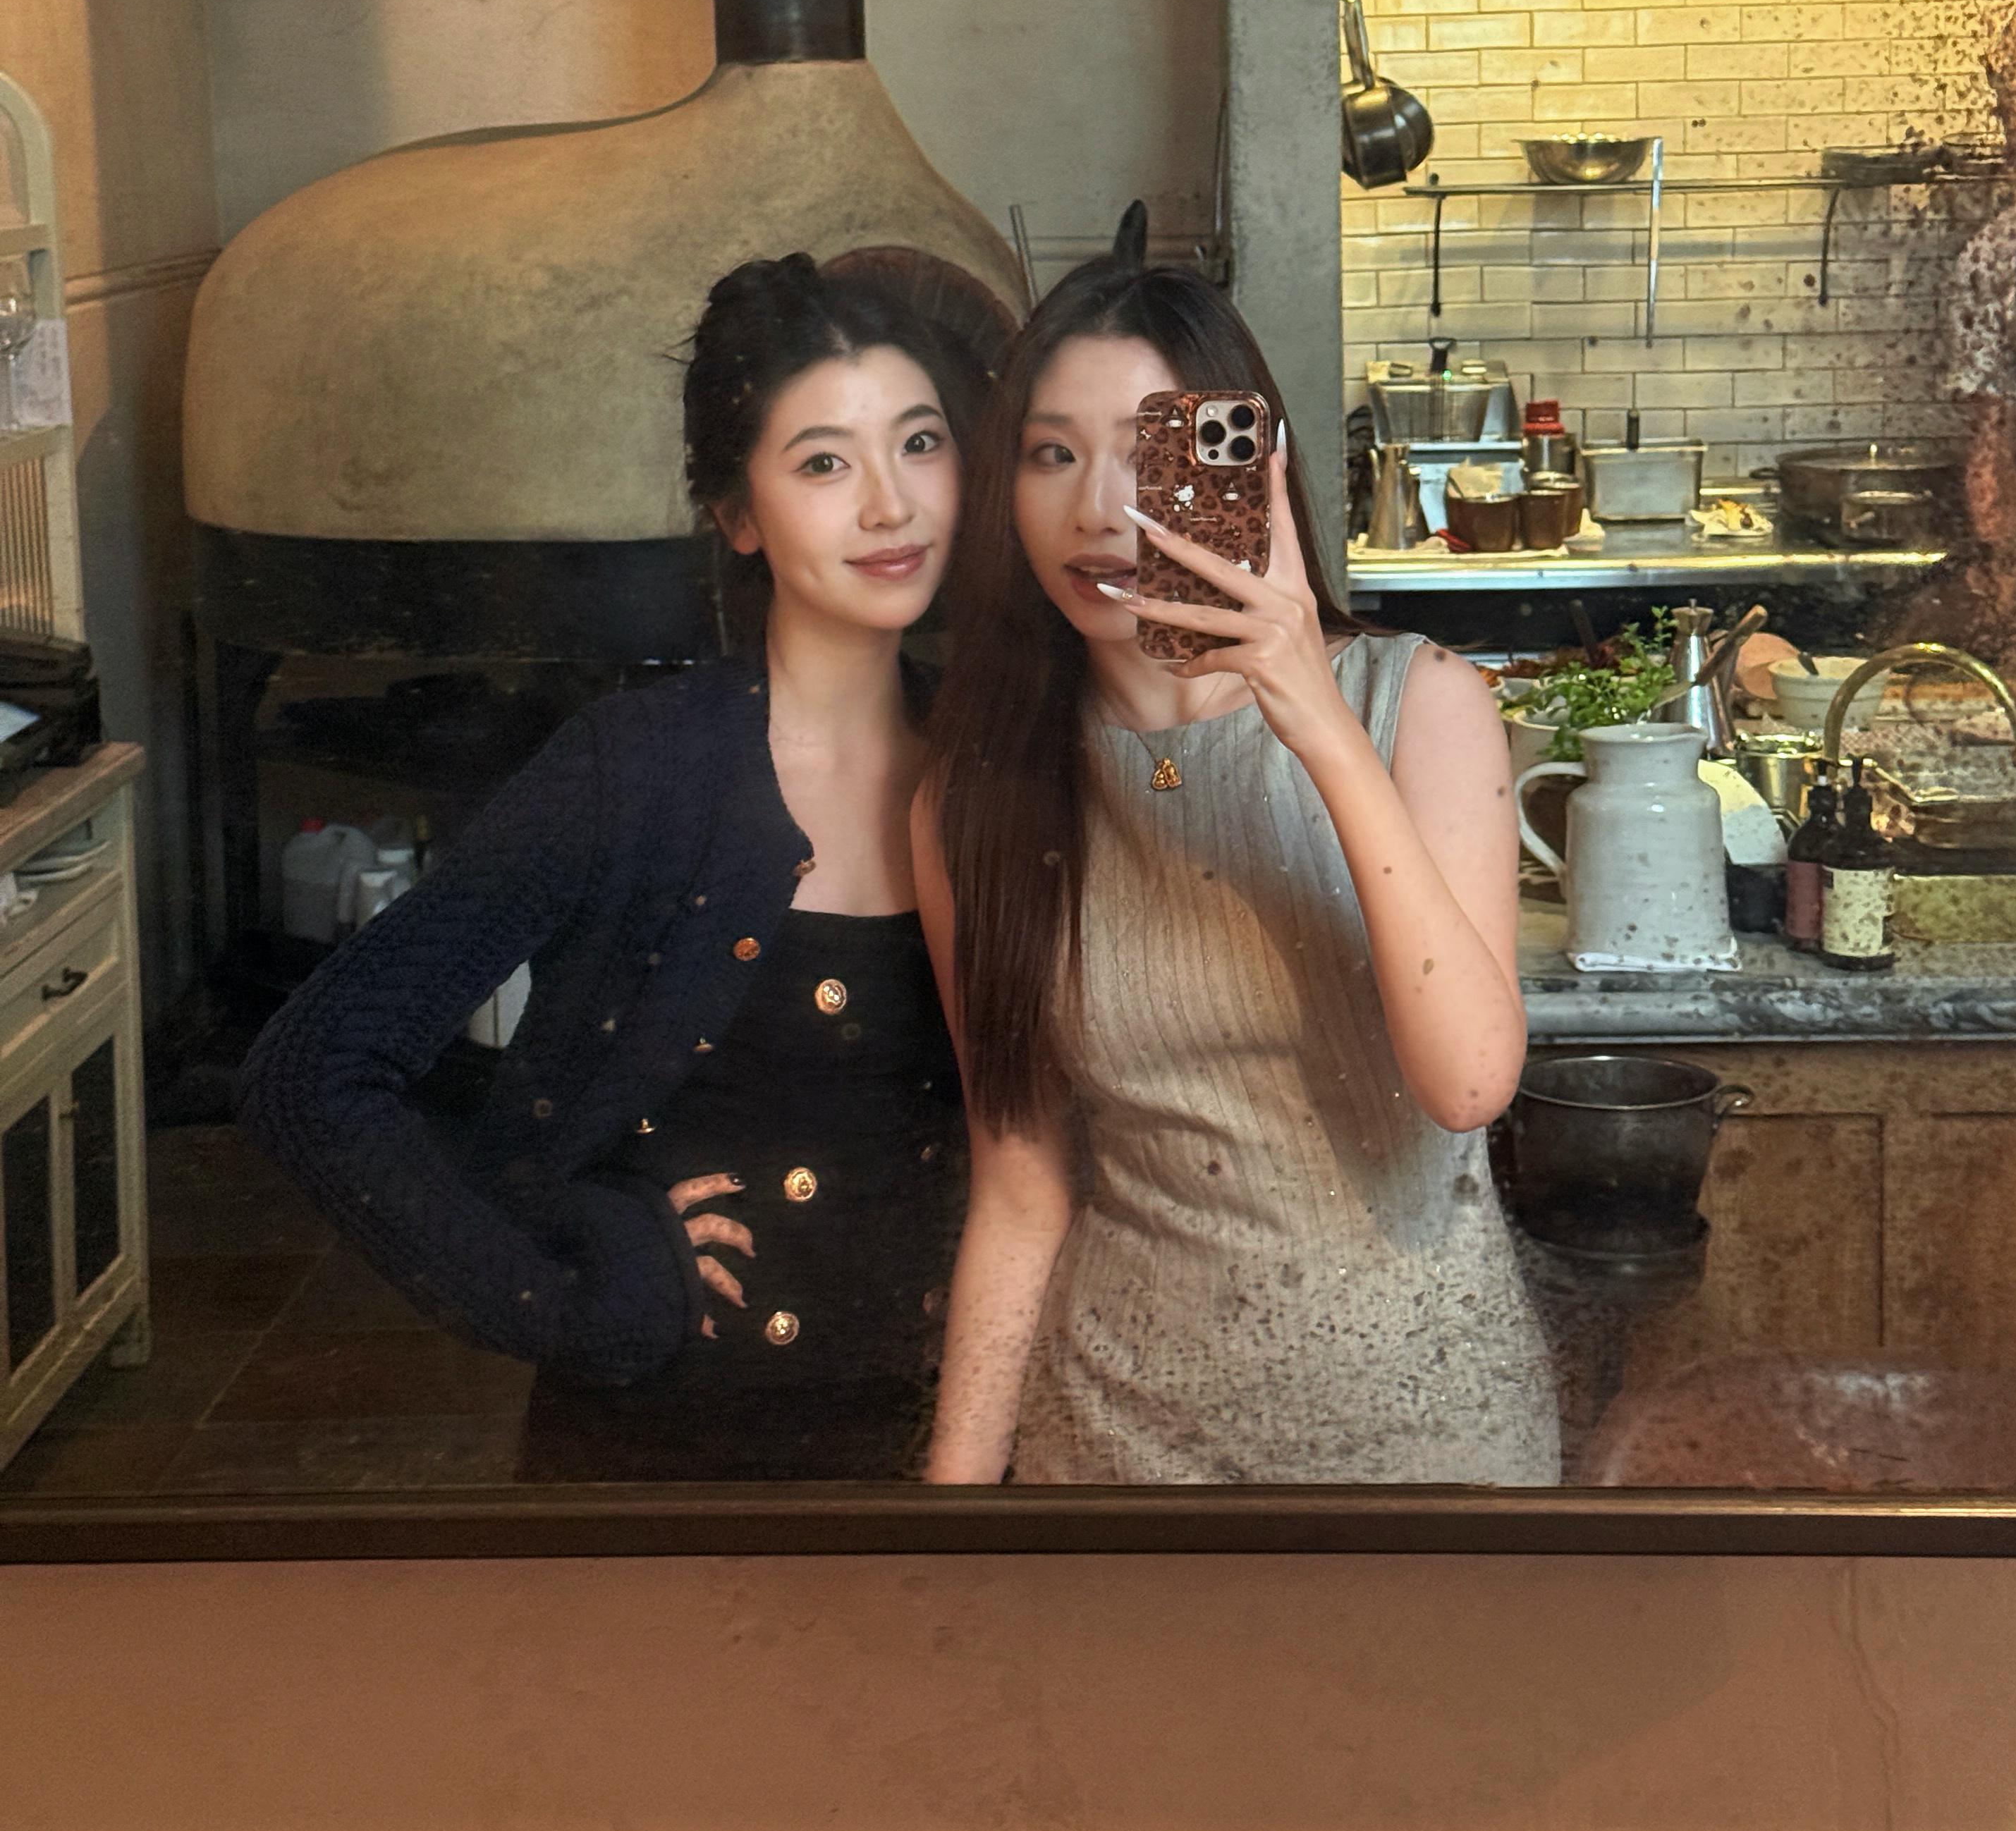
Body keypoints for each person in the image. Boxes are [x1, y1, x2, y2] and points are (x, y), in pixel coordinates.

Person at [240, 252, 998, 1482]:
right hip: (666, 1461)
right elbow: (310, 1078)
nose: (890, 506)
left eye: (919, 444)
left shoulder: (1002, 766)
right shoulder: (639, 770)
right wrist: (564, 1296)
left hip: (943, 1450)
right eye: (823, 463)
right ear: (737, 515)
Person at [915, 240, 1558, 1486]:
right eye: (1051, 455)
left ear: (1247, 471)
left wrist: (1311, 716)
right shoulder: (977, 795)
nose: (1098, 509)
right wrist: (953, 1512)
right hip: (1111, 1448)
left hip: (1429, 1444)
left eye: (1149, 451)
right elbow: (1021, 1187)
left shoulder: (1421, 702)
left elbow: (1469, 1083)